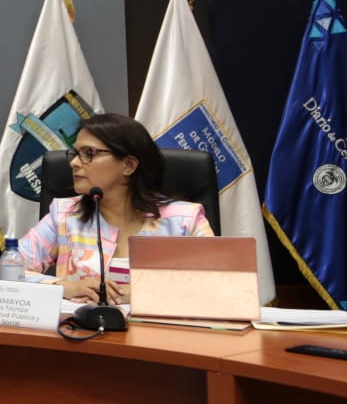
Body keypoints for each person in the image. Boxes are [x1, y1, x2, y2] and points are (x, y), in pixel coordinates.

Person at [18, 112, 213, 304]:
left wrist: (139, 294)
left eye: (89, 153)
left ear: (128, 165)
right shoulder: (64, 214)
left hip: (157, 325)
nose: (74, 163)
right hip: (83, 324)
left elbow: (218, 284)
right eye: (76, 153)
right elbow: (8, 268)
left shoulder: (185, 221)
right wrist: (64, 287)